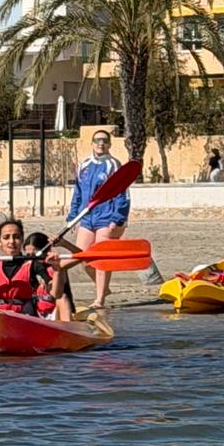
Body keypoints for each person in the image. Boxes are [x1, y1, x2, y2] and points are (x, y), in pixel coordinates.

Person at [0, 218, 72, 321]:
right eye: (6, 237)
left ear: (22, 240)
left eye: (17, 237)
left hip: (25, 317)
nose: (12, 241)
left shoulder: (33, 265)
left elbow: (56, 294)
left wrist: (56, 268)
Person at [68, 130, 130, 312]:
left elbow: (122, 193)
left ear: (109, 144)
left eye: (104, 140)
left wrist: (117, 218)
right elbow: (78, 192)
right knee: (83, 257)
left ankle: (99, 298)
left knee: (101, 259)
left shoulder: (114, 165)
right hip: (86, 217)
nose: (100, 144)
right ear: (92, 143)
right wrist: (73, 216)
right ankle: (103, 287)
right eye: (97, 140)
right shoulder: (84, 165)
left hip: (107, 217)